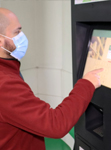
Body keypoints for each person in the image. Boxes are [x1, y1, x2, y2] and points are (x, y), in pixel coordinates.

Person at [0, 8, 103, 150]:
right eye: (17, 32)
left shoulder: (7, 70)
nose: (22, 36)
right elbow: (55, 125)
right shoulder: (5, 82)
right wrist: (87, 83)